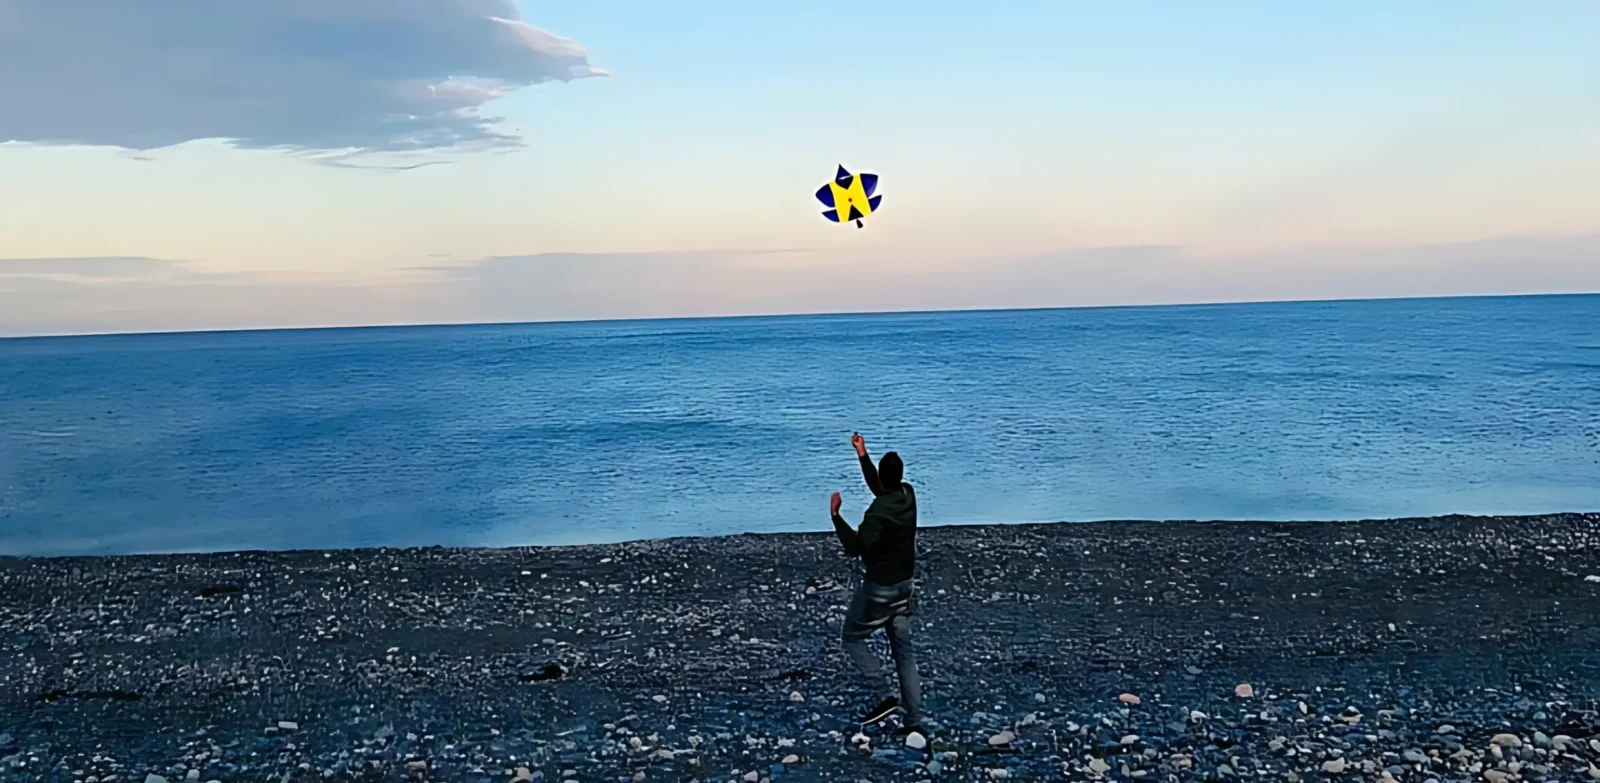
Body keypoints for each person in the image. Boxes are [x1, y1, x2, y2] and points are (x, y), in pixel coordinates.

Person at [829, 432, 923, 734]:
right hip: (906, 586)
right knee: (904, 654)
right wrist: (862, 454)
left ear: (884, 477)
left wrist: (836, 517)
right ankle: (914, 722)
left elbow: (857, 546)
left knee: (852, 638)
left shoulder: (877, 514)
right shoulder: (907, 495)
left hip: (880, 590)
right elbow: (881, 489)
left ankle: (884, 696)